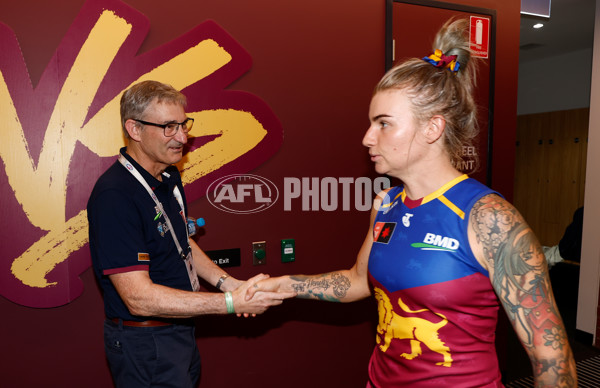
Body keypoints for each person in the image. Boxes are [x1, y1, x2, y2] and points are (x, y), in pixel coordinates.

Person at [248, 19, 577, 387]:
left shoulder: (488, 218)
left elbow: (552, 358)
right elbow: (357, 281)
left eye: (383, 123)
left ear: (432, 128)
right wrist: (287, 284)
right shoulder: (387, 204)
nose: (367, 137)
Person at [87, 80, 295, 387]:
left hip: (178, 330)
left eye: (183, 125)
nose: (182, 137)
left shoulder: (167, 175)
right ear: (134, 129)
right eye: (169, 127)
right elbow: (139, 299)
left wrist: (229, 283)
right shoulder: (115, 195)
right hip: (146, 340)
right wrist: (229, 304)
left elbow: (180, 241)